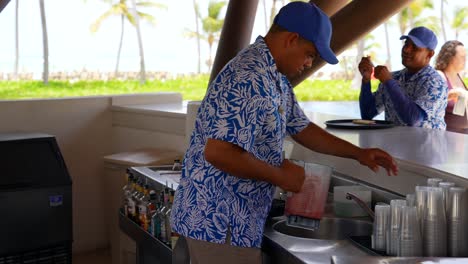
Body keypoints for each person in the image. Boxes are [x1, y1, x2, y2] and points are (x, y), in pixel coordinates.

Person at [170, 2, 399, 264]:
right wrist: (280, 175)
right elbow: (219, 152)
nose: (309, 63)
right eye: (310, 54)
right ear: (291, 39)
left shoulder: (274, 77)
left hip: (235, 221)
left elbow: (301, 127)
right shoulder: (249, 75)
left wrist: (358, 154)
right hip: (219, 225)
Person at [359, 26, 448, 130]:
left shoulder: (434, 82)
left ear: (430, 54)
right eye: (406, 44)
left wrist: (388, 82)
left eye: (414, 47)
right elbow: (367, 114)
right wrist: (366, 80)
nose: (406, 49)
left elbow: (413, 119)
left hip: (424, 146)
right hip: (392, 145)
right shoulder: (394, 77)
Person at [435, 40, 468, 134]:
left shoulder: (459, 78)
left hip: (462, 139)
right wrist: (449, 96)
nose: (465, 60)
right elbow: (432, 105)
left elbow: (459, 111)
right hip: (447, 138)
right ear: (450, 58)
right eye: (462, 57)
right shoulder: (440, 76)